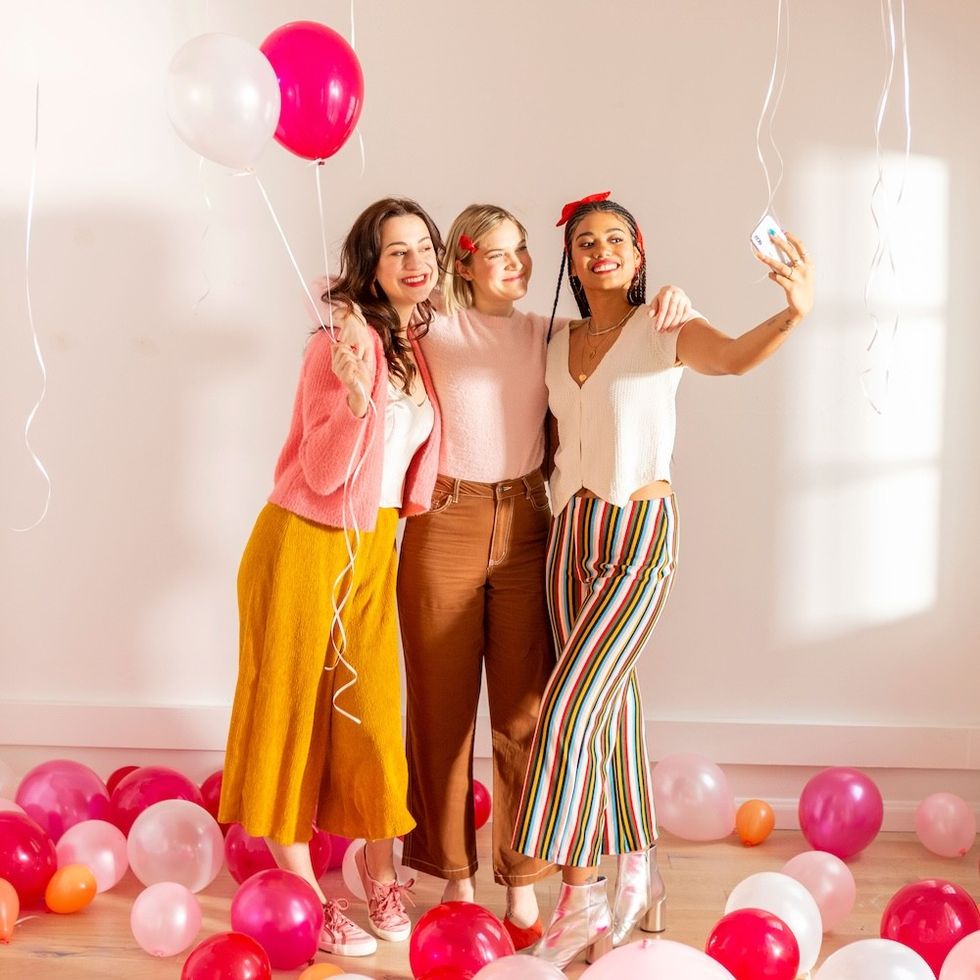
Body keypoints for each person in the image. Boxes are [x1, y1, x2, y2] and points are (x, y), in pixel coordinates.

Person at [510, 193, 815, 968]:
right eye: (586, 241)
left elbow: (734, 357)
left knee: (569, 708)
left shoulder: (664, 323)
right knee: (610, 711)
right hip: (569, 536)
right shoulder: (555, 341)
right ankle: (640, 871)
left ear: (638, 255)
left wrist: (792, 314)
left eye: (615, 238)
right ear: (572, 262)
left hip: (640, 535)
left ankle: (579, 896)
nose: (600, 249)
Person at [395, 202, 692, 949]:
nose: (517, 264)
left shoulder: (550, 334)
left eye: (523, 249)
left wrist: (671, 297)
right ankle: (454, 877)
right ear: (463, 263)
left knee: (527, 711)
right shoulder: (428, 326)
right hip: (446, 520)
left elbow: (622, 337)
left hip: (531, 523)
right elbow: (344, 300)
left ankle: (524, 884)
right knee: (441, 712)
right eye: (498, 254)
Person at [219, 198, 445, 957]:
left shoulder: (413, 343)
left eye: (424, 247)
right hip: (305, 542)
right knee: (290, 712)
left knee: (374, 715)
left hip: (374, 547)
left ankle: (381, 874)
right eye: (396, 251)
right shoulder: (337, 343)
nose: (415, 263)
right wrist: (353, 402)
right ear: (369, 266)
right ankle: (311, 901)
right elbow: (319, 471)